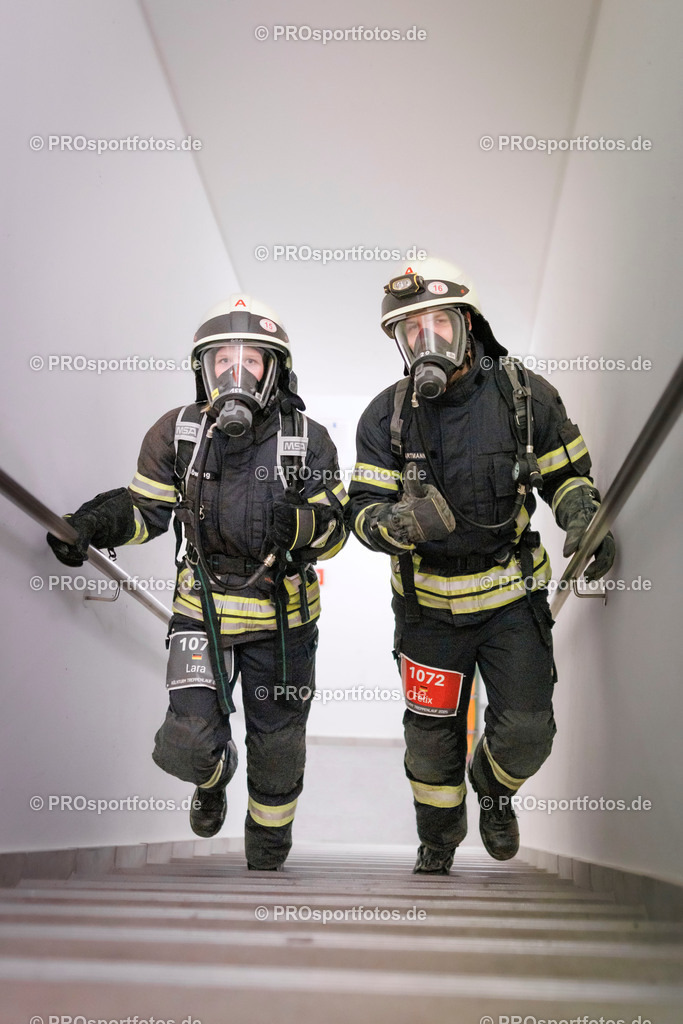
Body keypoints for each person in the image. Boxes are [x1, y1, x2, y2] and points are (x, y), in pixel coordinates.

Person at [48, 294, 348, 870]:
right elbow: (146, 512)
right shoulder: (177, 434)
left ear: (275, 370)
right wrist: (88, 524)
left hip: (282, 622)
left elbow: (335, 534)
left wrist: (302, 526)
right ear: (203, 371)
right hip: (200, 611)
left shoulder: (307, 439)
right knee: (188, 740)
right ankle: (212, 777)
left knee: (278, 745)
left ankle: (267, 845)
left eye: (252, 361)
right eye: (222, 362)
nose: (237, 374)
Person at [347, 259, 615, 874]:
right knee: (430, 746)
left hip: (509, 603)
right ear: (399, 342)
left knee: (526, 732)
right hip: (427, 612)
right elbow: (361, 508)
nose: (427, 342)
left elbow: (568, 477)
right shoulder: (385, 417)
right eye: (411, 332)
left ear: (468, 323)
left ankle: (494, 787)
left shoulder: (523, 396)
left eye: (439, 323)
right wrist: (392, 525)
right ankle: (439, 840)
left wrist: (583, 517)